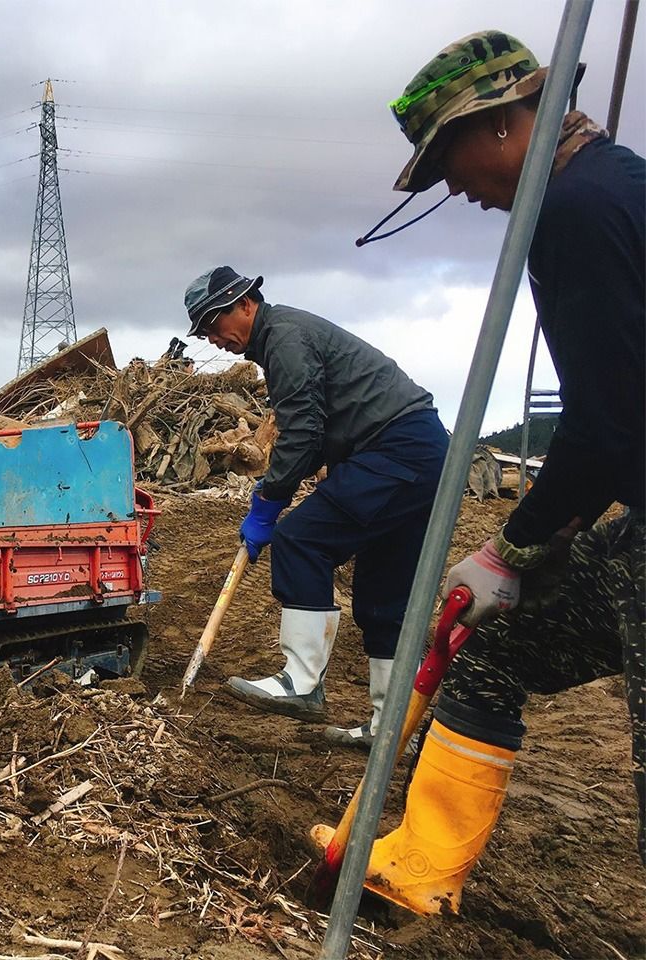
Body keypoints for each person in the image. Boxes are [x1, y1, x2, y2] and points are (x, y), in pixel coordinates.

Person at [316, 30, 644, 916]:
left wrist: (511, 546)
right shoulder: (604, 190)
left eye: (448, 161)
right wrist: (548, 540)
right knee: (493, 647)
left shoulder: (581, 211)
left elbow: (607, 427)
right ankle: (414, 866)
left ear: (503, 123)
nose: (453, 188)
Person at [183, 266, 448, 746]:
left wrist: (268, 502)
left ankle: (301, 682)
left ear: (246, 304)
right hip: (420, 451)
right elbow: (320, 426)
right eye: (204, 332)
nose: (214, 338)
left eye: (215, 324)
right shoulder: (285, 336)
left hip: (395, 449)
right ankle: (392, 729)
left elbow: (303, 430)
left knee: (300, 539)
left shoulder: (283, 337)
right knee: (382, 595)